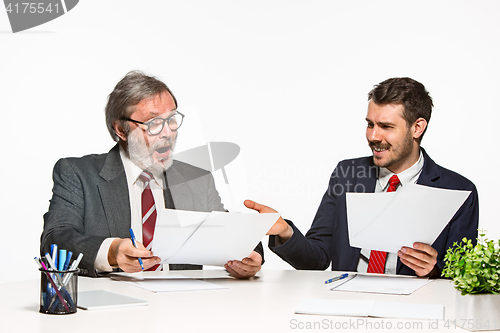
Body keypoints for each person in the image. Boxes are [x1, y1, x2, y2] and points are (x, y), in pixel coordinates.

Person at [245, 77, 479, 278]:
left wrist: (433, 269)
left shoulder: (458, 190)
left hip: (413, 308)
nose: (373, 136)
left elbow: (465, 277)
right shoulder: (346, 175)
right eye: (370, 124)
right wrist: (285, 232)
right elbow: (317, 260)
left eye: (386, 126)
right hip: (347, 301)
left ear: (417, 128)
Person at [41, 70, 263, 278]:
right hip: (112, 311)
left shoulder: (196, 179)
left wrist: (250, 257)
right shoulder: (78, 174)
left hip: (183, 307)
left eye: (172, 120)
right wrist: (112, 251)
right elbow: (55, 240)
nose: (168, 133)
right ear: (121, 129)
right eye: (154, 122)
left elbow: (229, 232)